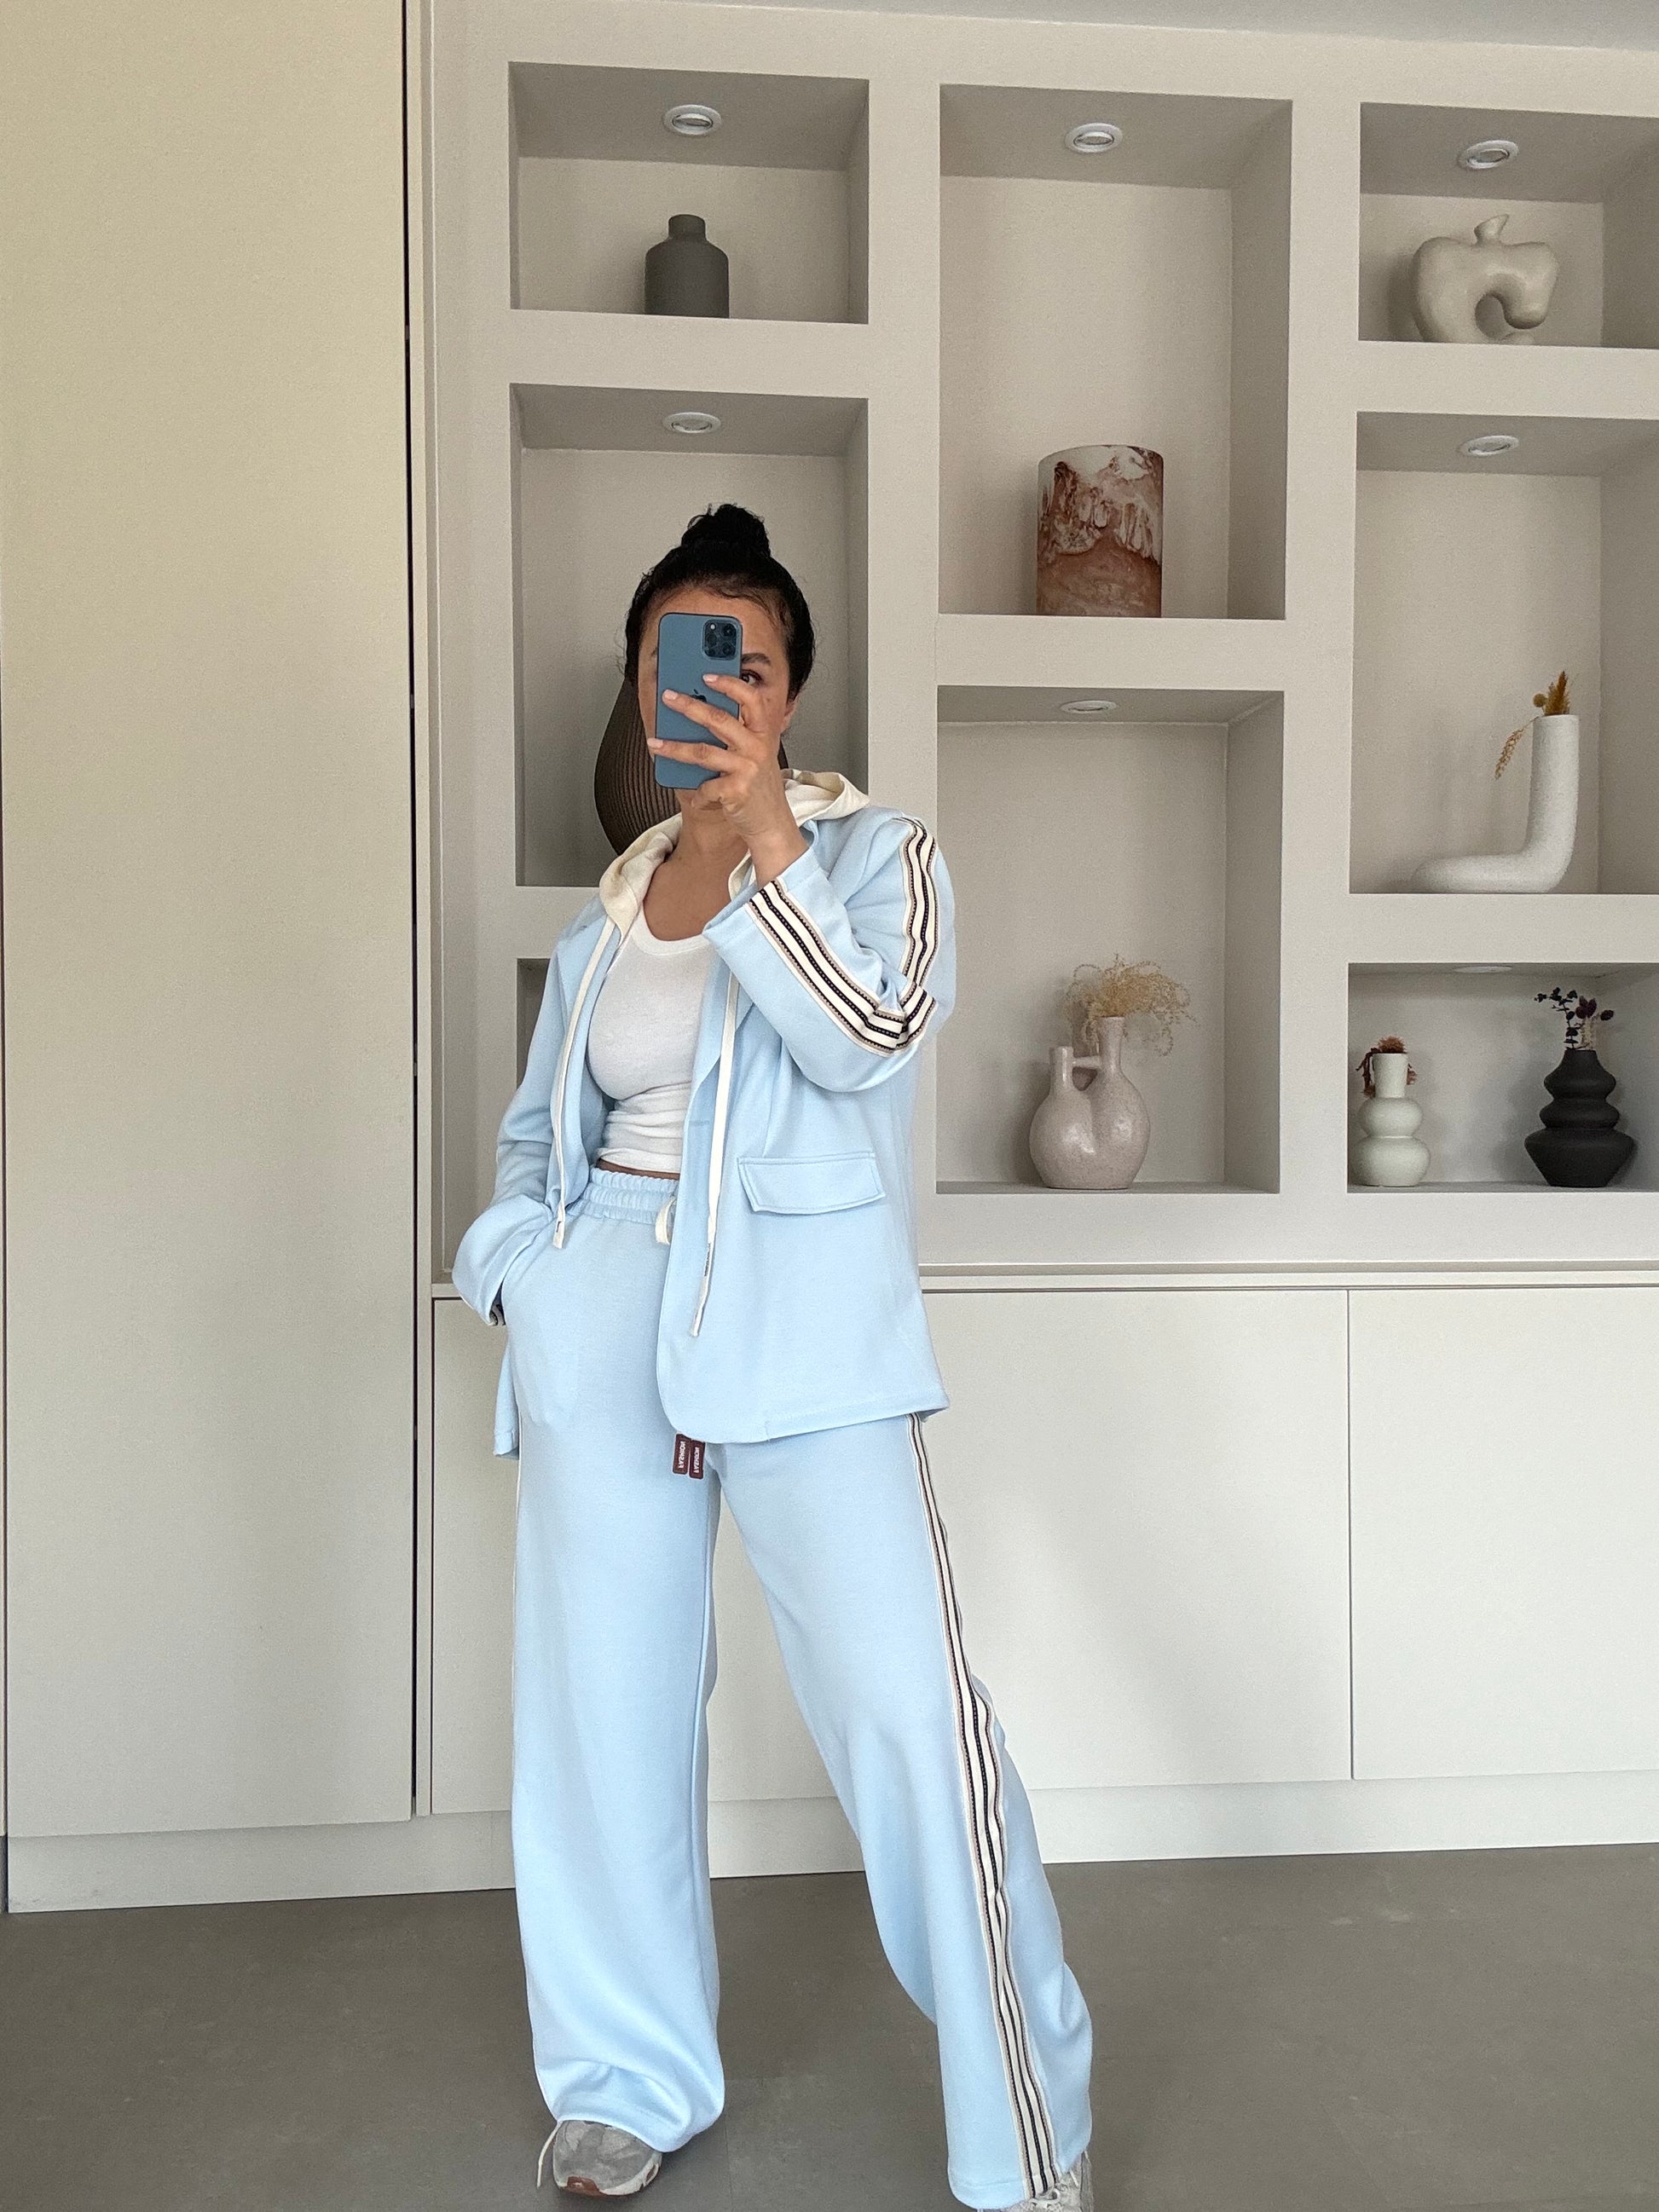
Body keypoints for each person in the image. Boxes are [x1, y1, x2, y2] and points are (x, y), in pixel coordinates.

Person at [451, 504, 1095, 2209]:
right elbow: (536, 1140)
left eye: (740, 658)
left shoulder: (879, 859)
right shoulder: (602, 922)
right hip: (599, 1326)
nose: (707, 684)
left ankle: (1025, 2129)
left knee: (909, 1720)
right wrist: (523, 1275)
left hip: (804, 1330)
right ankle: (623, 2079)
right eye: (675, 656)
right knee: (600, 1721)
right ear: (636, 681)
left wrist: (763, 844)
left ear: (789, 688)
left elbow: (872, 1034)